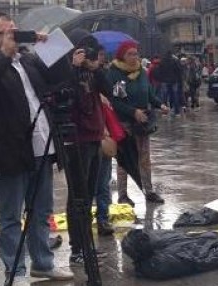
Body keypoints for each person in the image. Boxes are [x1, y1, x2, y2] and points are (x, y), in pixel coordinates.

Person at [0, 12, 74, 286]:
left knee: (41, 208)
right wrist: (4, 55)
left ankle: (42, 262)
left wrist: (48, 46)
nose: (11, 37)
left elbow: (62, 77)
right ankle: (15, 269)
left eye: (14, 31)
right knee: (10, 214)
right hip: (8, 150)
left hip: (41, 148)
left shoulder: (29, 60)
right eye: (3, 33)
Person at [63, 29, 115, 265]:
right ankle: (77, 249)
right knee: (78, 195)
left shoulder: (93, 71)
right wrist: (74, 68)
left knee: (90, 193)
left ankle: (87, 245)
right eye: (84, 48)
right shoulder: (66, 69)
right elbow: (64, 94)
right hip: (76, 138)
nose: (88, 54)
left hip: (94, 135)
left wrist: (96, 68)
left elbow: (109, 90)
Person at [106, 40, 169, 206]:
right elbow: (114, 101)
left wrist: (160, 104)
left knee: (145, 158)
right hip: (125, 122)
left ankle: (149, 191)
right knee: (125, 160)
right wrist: (133, 112)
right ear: (122, 56)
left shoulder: (142, 71)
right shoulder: (114, 73)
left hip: (142, 123)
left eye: (136, 53)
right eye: (130, 54)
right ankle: (123, 195)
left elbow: (149, 94)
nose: (134, 57)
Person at [94, 47, 116, 239]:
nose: (99, 59)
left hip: (104, 135)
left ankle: (103, 217)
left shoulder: (102, 75)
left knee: (103, 182)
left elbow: (111, 95)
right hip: (88, 138)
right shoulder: (77, 75)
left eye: (101, 55)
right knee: (92, 183)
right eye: (97, 55)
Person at [153, 51, 182, 115]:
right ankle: (177, 112)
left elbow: (159, 71)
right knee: (175, 96)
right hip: (174, 81)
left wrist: (160, 79)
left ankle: (165, 112)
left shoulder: (162, 61)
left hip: (164, 81)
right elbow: (178, 70)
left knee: (164, 97)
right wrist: (179, 80)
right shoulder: (174, 61)